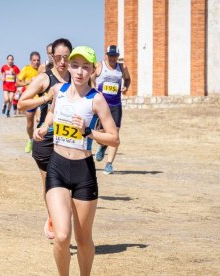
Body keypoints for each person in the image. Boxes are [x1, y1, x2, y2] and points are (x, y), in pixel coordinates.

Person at [34, 46, 119, 276]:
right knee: (61, 235)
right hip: (58, 167)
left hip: (83, 172)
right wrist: (43, 127)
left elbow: (114, 139)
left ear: (92, 70)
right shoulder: (58, 90)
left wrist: (89, 131)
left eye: (85, 67)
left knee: (83, 240)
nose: (80, 71)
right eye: (75, 66)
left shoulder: (97, 99)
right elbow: (52, 112)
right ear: (68, 67)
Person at [18, 38, 72, 239]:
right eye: (58, 57)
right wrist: (46, 98)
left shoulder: (77, 77)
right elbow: (22, 104)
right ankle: (52, 216)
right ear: (52, 56)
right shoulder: (44, 78)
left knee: (66, 185)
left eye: (66, 57)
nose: (62, 61)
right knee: (50, 184)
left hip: (68, 139)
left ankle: (60, 219)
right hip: (46, 139)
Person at [91, 45, 131, 174]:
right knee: (98, 134)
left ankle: (109, 164)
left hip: (115, 105)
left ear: (118, 56)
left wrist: (125, 87)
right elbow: (91, 78)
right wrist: (94, 90)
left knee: (115, 133)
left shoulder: (122, 67)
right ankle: (102, 145)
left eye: (115, 56)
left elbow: (128, 79)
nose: (112, 58)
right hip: (101, 105)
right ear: (106, 55)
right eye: (110, 55)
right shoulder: (100, 66)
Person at [16, 51, 40, 152]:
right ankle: (30, 140)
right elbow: (17, 83)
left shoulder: (42, 69)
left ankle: (39, 142)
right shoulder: (26, 69)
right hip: (29, 100)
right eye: (34, 60)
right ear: (30, 61)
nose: (36, 62)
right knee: (30, 124)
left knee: (39, 120)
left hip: (40, 99)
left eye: (38, 60)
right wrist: (28, 82)